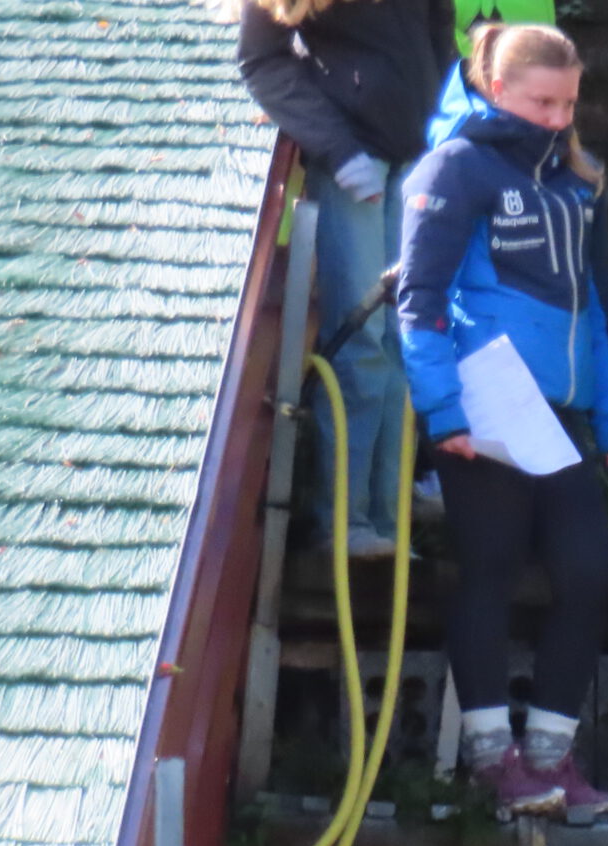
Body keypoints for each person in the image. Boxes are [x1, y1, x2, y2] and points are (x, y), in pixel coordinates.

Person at [396, 23, 608, 817]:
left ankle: (550, 759)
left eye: (568, 104)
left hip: (556, 414)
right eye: (542, 103)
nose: (558, 119)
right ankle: (492, 762)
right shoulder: (456, 166)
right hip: (485, 402)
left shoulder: (577, 180)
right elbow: (419, 302)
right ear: (496, 90)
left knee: (588, 570)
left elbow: (598, 309)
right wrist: (443, 412)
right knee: (491, 566)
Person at [238, 0, 456, 561]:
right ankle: (345, 520)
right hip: (355, 162)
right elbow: (261, 60)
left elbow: (439, 39)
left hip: (416, 161)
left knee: (407, 341)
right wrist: (338, 150)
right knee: (362, 342)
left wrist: (446, 134)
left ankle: (389, 519)